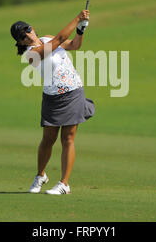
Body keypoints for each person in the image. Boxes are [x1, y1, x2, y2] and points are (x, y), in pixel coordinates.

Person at [10, 10, 95, 195]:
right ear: (20, 42)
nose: (27, 35)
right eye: (22, 36)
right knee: (48, 140)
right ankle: (40, 175)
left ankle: (64, 184)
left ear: (32, 28)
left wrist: (81, 30)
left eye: (27, 30)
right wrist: (77, 18)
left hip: (73, 92)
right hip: (52, 98)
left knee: (68, 138)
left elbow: (74, 44)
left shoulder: (47, 38)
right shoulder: (31, 54)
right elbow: (59, 39)